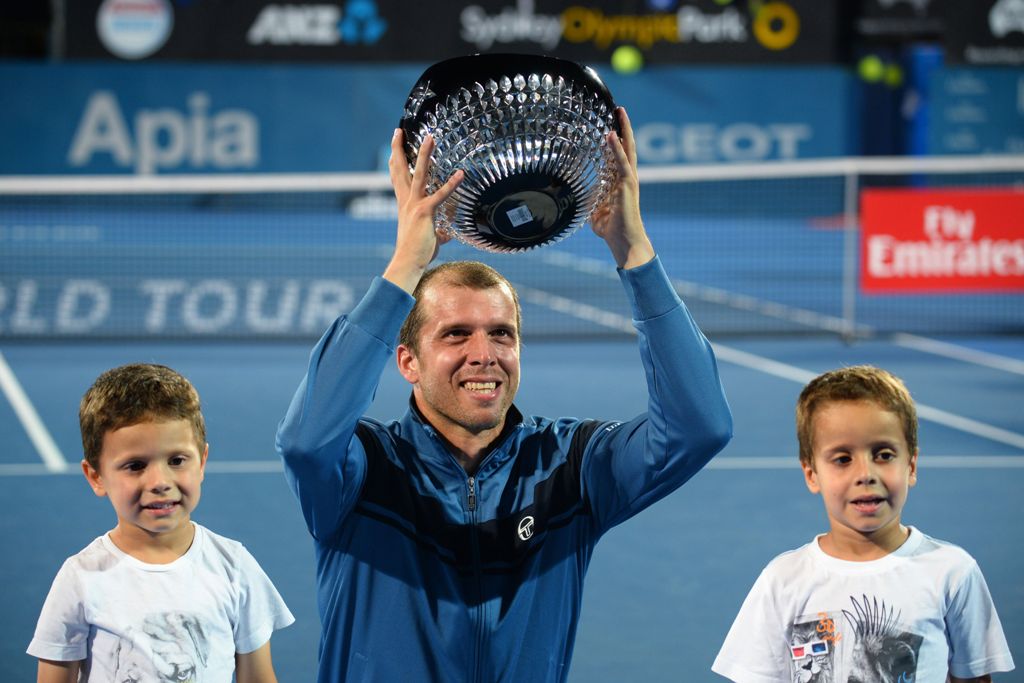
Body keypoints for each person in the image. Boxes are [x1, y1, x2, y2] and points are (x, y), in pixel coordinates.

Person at [276, 107, 733, 682]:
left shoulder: (571, 467)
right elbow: (304, 440)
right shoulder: (361, 471)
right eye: (455, 335)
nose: (483, 354)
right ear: (407, 362)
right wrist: (405, 265)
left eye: (501, 334)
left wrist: (633, 251)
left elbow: (701, 427)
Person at [712, 365, 1014, 683]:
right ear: (811, 473)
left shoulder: (953, 572)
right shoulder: (782, 581)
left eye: (883, 454)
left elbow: (973, 678)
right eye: (842, 459)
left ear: (911, 465)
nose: (865, 474)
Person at [28, 363, 295, 683]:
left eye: (177, 460)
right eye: (135, 465)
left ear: (202, 462)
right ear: (96, 477)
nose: (159, 481)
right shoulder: (81, 578)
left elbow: (258, 677)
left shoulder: (234, 566)